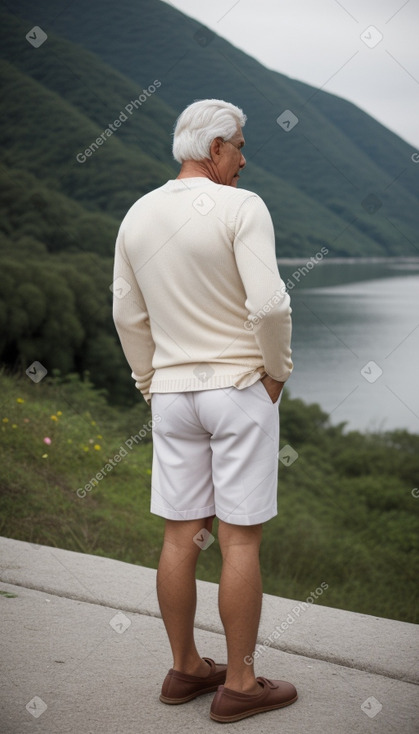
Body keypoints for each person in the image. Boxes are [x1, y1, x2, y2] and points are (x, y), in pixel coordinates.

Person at [112, 99, 297, 722]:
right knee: (239, 537)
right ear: (214, 148)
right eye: (239, 146)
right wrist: (276, 373)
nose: (245, 159)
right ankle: (240, 683)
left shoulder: (138, 213)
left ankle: (186, 666)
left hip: (173, 395)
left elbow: (125, 314)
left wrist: (149, 382)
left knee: (181, 533)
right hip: (238, 388)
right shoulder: (243, 208)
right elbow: (269, 306)